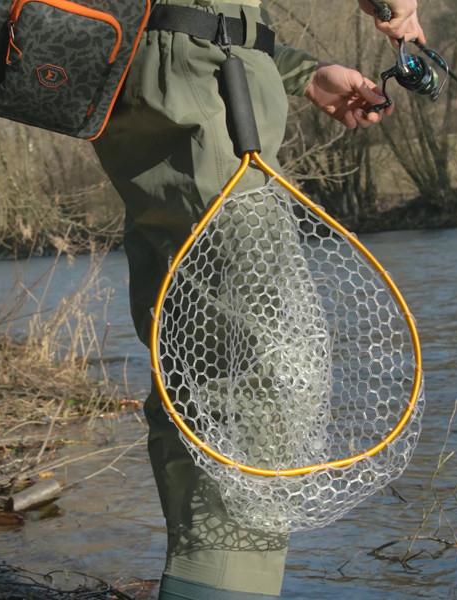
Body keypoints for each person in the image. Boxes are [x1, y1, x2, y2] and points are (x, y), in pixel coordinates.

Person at [92, 1, 426, 598]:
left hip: (207, 80)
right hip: (198, 89)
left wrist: (299, 72)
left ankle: (200, 583)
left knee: (198, 362)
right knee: (273, 365)